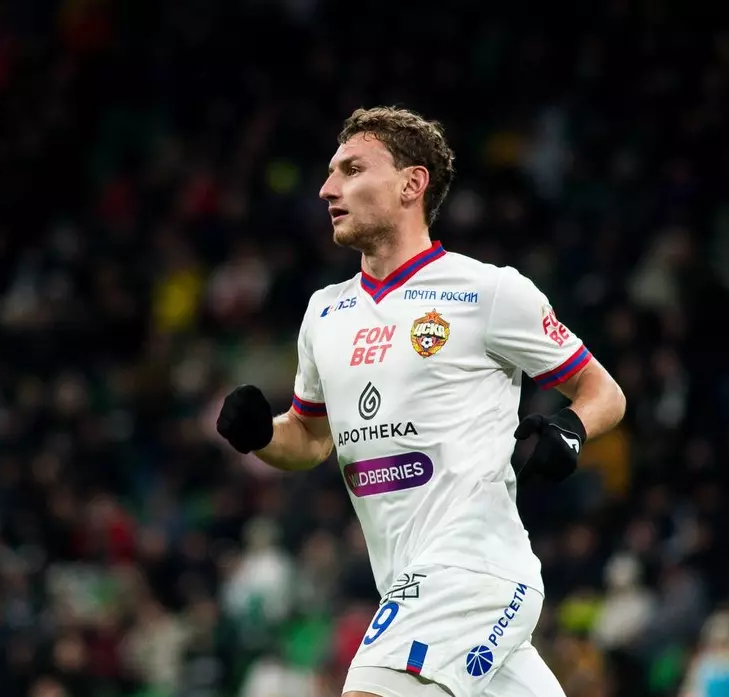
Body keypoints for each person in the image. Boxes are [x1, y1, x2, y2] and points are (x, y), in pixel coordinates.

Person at [215, 106, 626, 697]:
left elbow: (602, 392)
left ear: (412, 184)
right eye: (330, 172)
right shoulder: (324, 312)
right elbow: (307, 441)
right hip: (414, 584)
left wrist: (570, 428)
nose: (327, 188)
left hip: (469, 571)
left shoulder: (487, 292)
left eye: (352, 169)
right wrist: (259, 433)